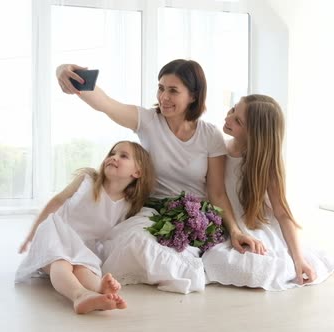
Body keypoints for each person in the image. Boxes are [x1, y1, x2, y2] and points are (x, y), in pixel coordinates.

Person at [56, 60, 264, 294]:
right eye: (161, 87)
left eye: (173, 90)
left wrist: (235, 231)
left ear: (193, 96)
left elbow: (216, 192)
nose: (164, 96)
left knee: (187, 262)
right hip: (152, 210)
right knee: (138, 243)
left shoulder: (209, 134)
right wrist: (64, 71)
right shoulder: (147, 121)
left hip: (194, 215)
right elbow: (106, 104)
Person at [202, 94, 334, 290]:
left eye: (238, 121)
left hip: (251, 221)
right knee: (215, 260)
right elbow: (216, 192)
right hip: (225, 218)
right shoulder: (219, 149)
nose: (228, 119)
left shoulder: (265, 165)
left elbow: (282, 213)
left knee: (264, 264)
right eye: (233, 110)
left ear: (254, 133)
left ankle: (311, 260)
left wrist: (298, 260)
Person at [15, 141, 155, 314]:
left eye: (123, 156)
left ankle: (100, 288)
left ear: (137, 172)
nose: (113, 157)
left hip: (83, 246)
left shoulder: (128, 205)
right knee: (62, 262)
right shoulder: (87, 180)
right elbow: (56, 201)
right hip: (56, 232)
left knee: (83, 268)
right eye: (112, 153)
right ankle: (79, 295)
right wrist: (32, 235)